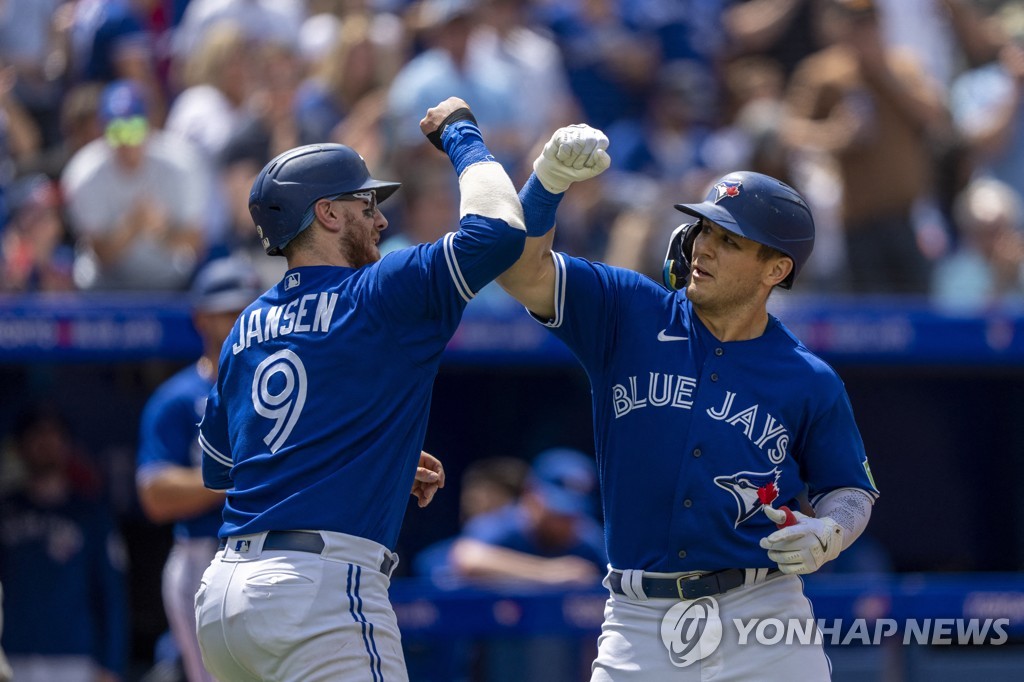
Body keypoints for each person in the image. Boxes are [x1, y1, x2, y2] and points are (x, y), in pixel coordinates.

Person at [497, 124, 879, 680]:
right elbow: (520, 271)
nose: (704, 247)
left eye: (730, 240)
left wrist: (833, 532)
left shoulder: (808, 377)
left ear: (776, 269)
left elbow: (850, 488)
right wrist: (547, 181)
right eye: (703, 230)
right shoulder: (627, 312)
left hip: (762, 616)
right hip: (638, 617)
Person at [193, 96, 526, 681]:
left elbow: (223, 471)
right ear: (326, 212)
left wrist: (374, 453)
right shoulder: (382, 288)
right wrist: (461, 134)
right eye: (366, 202)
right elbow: (500, 231)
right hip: (317, 592)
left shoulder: (248, 324)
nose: (380, 219)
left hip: (225, 601)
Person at [135, 256, 264, 682]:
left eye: (249, 308)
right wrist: (244, 478)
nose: (241, 320)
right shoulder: (177, 398)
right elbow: (155, 494)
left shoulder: (281, 385)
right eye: (229, 311)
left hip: (275, 550)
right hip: (203, 556)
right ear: (201, 319)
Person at [0, 407, 128, 682]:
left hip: (75, 658)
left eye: (53, 435)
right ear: (20, 446)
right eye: (36, 435)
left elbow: (111, 593)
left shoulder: (91, 515)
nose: (45, 444)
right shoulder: (5, 511)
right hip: (12, 656)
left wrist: (111, 664)